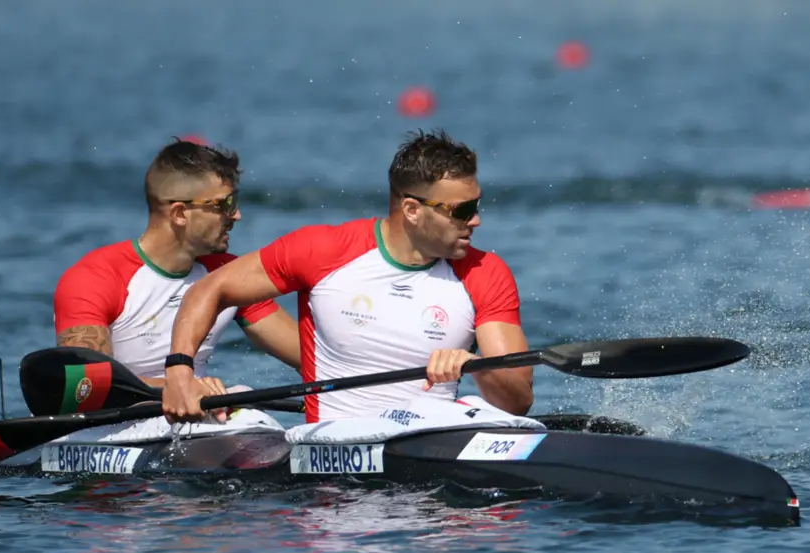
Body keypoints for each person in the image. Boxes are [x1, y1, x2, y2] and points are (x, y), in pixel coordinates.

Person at [161, 129, 533, 424]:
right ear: (412, 209)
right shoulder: (323, 251)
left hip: (434, 437)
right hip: (337, 456)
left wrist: (477, 368)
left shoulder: (485, 273)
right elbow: (210, 288)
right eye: (462, 210)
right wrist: (179, 375)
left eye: (476, 206)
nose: (476, 221)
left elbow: (517, 403)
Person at [51, 139, 301, 411]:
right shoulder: (95, 278)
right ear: (180, 213)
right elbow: (86, 386)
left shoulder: (225, 273)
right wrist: (181, 387)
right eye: (224, 204)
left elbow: (309, 357)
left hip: (197, 416)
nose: (236, 214)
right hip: (111, 423)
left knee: (245, 400)